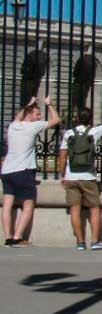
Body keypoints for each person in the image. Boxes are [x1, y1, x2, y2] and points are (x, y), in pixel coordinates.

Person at [58, 98, 102, 250]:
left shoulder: (68, 134)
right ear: (90, 119)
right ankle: (96, 241)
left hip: (71, 177)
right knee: (94, 208)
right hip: (88, 177)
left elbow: (63, 156)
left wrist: (62, 175)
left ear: (77, 119)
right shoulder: (93, 132)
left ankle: (79, 242)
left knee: (74, 209)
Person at [2, 96, 61, 246]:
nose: (39, 117)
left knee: (7, 204)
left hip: (7, 170)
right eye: (37, 114)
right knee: (28, 205)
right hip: (23, 170)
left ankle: (8, 237)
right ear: (29, 115)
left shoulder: (13, 126)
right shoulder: (33, 126)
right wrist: (49, 105)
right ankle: (17, 237)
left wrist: (28, 104)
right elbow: (56, 120)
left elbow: (18, 116)